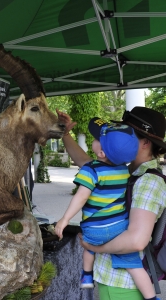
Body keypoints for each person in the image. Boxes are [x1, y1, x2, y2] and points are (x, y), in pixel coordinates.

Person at [56, 106, 166, 300]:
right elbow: (88, 164)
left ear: (145, 143)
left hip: (124, 286)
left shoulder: (149, 181)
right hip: (111, 279)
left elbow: (136, 240)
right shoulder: (123, 169)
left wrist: (95, 247)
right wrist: (66, 134)